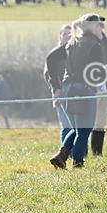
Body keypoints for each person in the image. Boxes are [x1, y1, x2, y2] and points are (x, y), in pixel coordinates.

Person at [49, 14, 107, 169]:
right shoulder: (95, 45)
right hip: (83, 90)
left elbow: (50, 59)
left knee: (76, 129)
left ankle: (61, 156)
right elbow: (96, 72)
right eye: (99, 25)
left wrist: (56, 85)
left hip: (66, 90)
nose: (101, 28)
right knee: (84, 130)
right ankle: (78, 163)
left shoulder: (71, 42)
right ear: (94, 27)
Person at [44, 23, 73, 157]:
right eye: (64, 34)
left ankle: (76, 153)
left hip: (74, 94)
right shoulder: (54, 55)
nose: (67, 36)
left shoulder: (75, 52)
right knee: (66, 126)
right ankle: (65, 155)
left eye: (69, 33)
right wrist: (56, 88)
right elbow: (47, 75)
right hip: (60, 94)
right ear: (60, 37)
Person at [89, 16, 107, 157]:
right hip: (91, 84)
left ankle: (97, 153)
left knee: (101, 120)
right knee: (88, 119)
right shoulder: (88, 42)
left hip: (105, 84)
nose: (101, 26)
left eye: (101, 24)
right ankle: (82, 152)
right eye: (98, 24)